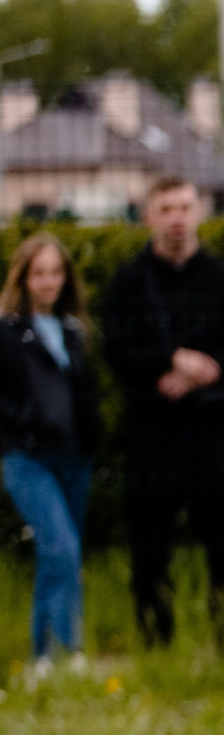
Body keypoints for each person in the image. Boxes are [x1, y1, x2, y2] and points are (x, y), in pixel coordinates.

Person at [100, 176, 224, 646]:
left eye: (185, 207)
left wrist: (205, 371)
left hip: (214, 429)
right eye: (166, 208)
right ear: (149, 215)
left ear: (199, 213)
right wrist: (170, 359)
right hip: (152, 433)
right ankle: (155, 633)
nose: (177, 218)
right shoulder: (128, 284)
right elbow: (117, 353)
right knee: (150, 539)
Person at [1, 234, 101, 676]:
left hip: (73, 456)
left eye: (55, 272)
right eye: (38, 272)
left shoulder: (74, 332)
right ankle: (68, 648)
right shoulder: (7, 332)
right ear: (23, 277)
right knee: (61, 548)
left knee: (59, 554)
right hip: (28, 458)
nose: (47, 281)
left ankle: (43, 658)